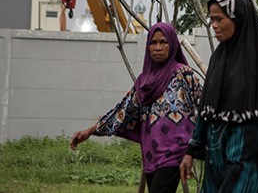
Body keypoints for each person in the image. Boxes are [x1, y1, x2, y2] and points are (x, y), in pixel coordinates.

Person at [180, 0, 258, 192]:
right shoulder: (218, 59)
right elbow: (206, 110)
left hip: (247, 154)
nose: (214, 25)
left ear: (237, 18)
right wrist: (191, 150)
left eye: (219, 19)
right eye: (212, 19)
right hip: (216, 154)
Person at [70, 22, 201, 193]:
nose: (158, 47)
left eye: (163, 42)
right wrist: (90, 131)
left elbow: (206, 107)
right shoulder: (144, 81)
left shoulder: (184, 74)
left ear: (173, 44)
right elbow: (123, 111)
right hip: (151, 155)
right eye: (153, 43)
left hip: (176, 153)